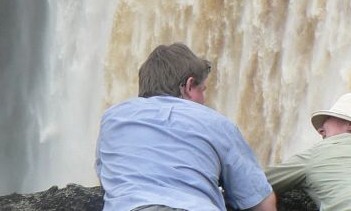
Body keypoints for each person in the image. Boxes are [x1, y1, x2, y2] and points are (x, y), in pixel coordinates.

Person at [95, 42, 277, 211]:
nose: (204, 101)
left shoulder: (112, 118)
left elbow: (107, 177)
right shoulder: (214, 122)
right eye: (202, 90)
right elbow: (261, 202)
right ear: (189, 86)